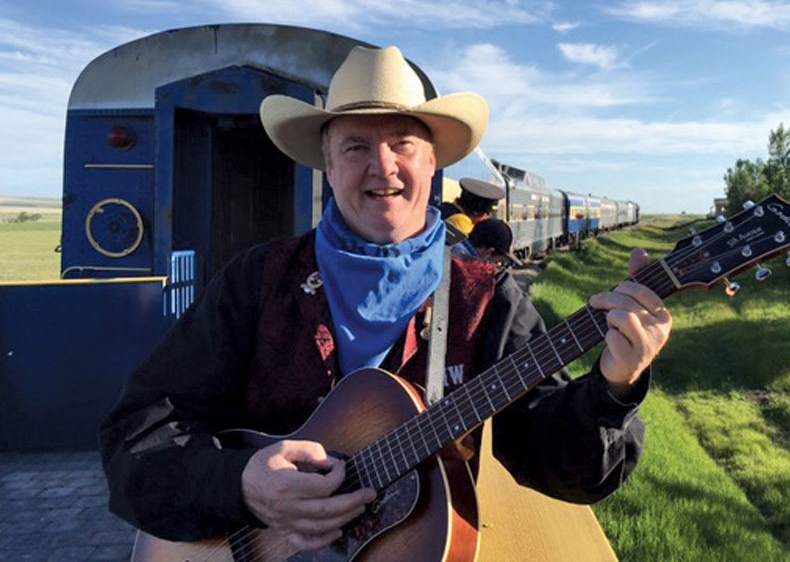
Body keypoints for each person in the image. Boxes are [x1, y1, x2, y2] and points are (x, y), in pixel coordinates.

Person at [99, 45, 672, 554]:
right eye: (355, 147)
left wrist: (614, 388)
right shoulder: (259, 280)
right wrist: (239, 484)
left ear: (432, 164)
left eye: (403, 144)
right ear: (327, 164)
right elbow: (139, 433)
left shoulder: (483, 297)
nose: (383, 167)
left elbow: (558, 468)